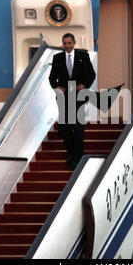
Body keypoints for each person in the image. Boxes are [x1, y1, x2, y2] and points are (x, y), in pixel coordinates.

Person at [49, 33, 96, 170]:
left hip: (78, 94)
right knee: (65, 128)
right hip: (64, 95)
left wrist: (84, 86)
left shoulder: (83, 56)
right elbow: (52, 78)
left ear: (74, 42)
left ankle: (78, 157)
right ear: (62, 44)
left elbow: (91, 75)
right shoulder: (57, 58)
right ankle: (72, 154)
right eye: (65, 43)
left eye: (69, 43)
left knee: (77, 126)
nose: (67, 46)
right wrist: (56, 87)